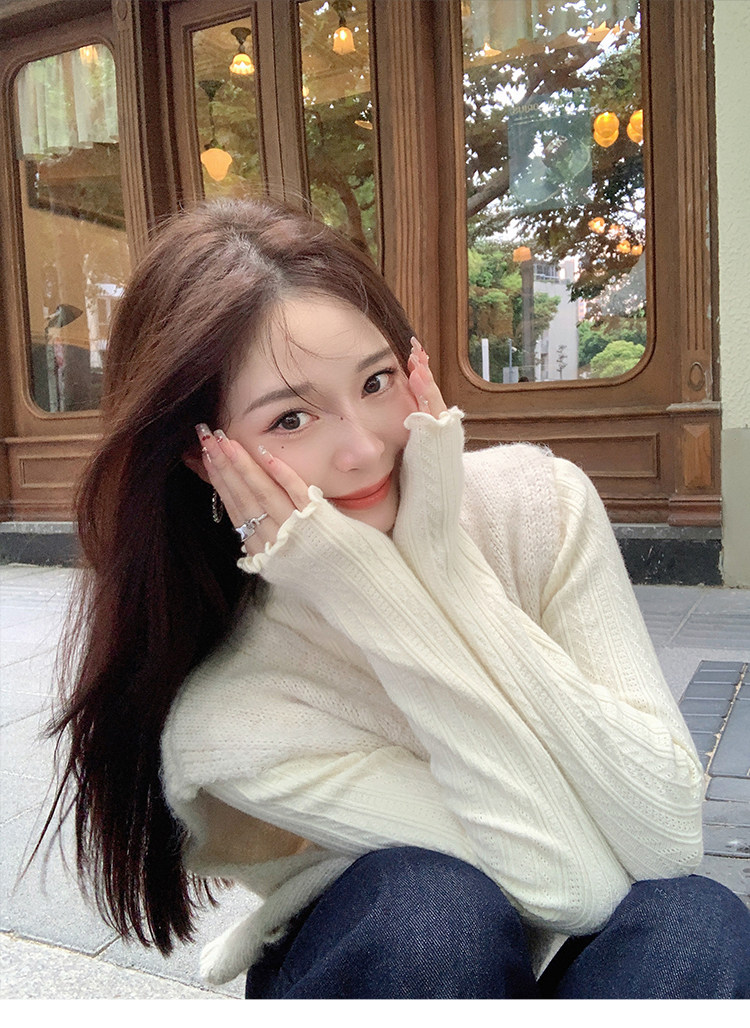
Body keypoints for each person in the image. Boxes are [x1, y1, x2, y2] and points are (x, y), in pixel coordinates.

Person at [45, 199, 750, 1000]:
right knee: (434, 910)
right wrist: (371, 592)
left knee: (698, 924)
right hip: (390, 962)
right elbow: (571, 884)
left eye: (377, 381)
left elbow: (666, 841)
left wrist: (445, 564)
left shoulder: (540, 506)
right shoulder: (234, 719)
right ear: (209, 460)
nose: (364, 447)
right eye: (291, 417)